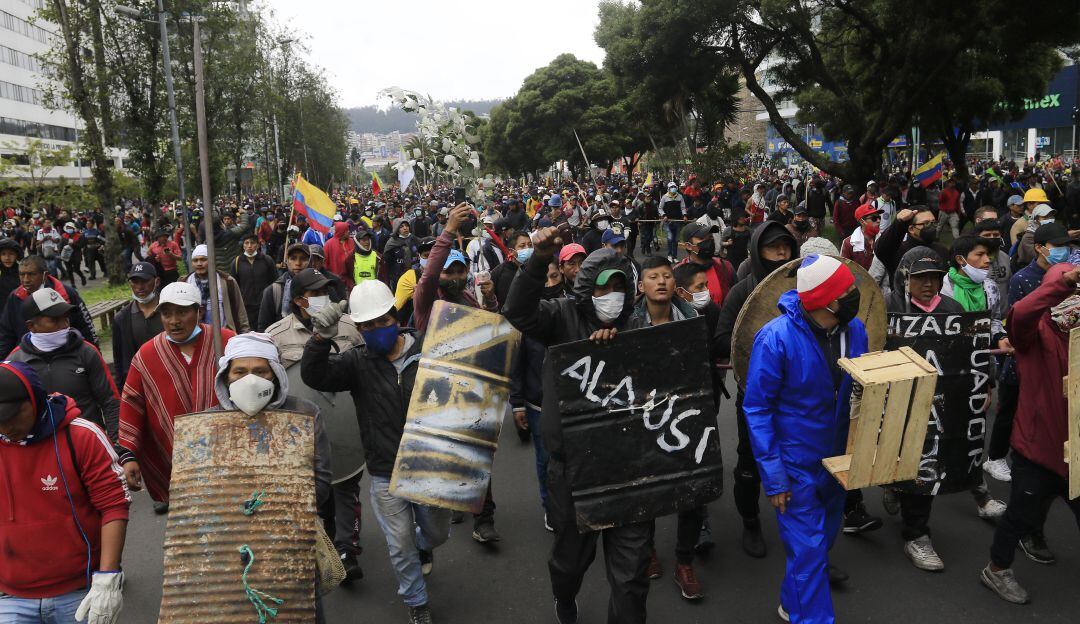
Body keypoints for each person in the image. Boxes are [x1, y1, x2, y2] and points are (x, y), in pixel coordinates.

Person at [504, 228, 650, 624]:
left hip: (629, 470)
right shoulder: (560, 315)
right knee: (570, 562)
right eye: (602, 289)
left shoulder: (639, 328)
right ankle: (564, 598)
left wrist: (624, 353)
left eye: (620, 287)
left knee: (632, 575)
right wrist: (537, 260)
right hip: (574, 471)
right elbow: (517, 314)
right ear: (587, 291)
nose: (611, 297)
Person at [303, 280, 451, 624]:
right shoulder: (357, 362)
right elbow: (315, 375)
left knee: (436, 533)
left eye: (382, 321)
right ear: (357, 327)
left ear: (394, 316)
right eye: (366, 325)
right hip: (385, 470)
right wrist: (320, 339)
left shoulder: (428, 350)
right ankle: (416, 601)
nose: (376, 329)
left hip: (429, 465)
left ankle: (422, 544)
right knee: (399, 545)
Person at [743, 255, 868, 623]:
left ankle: (792, 601)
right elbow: (758, 409)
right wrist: (774, 477)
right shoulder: (775, 338)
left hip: (837, 458)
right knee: (810, 549)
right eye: (846, 290)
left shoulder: (855, 329)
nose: (854, 294)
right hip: (794, 461)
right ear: (825, 299)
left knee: (821, 540)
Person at [210, 332, 334, 618]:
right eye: (239, 371)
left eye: (260, 371)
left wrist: (274, 506)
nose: (249, 379)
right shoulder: (210, 424)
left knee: (302, 609)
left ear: (275, 375)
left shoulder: (305, 414)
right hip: (235, 549)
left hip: (293, 543)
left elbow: (322, 484)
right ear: (226, 376)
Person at [0, 361, 130, 624]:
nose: (6, 427)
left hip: (79, 590)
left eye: (13, 415)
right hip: (9, 596)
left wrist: (107, 577)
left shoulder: (81, 436)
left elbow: (113, 505)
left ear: (35, 399)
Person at [980, 263, 1080, 605]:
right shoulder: (1034, 332)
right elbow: (1020, 312)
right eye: (1067, 298)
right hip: (1037, 449)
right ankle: (997, 568)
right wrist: (1062, 284)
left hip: (1076, 452)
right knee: (1020, 515)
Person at [267, 268, 365, 580]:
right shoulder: (276, 335)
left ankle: (347, 549)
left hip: (345, 425)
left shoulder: (349, 326)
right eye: (316, 293)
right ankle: (323, 543)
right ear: (298, 300)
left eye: (328, 290)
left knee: (347, 487)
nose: (325, 298)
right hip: (302, 431)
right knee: (317, 490)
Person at [412, 204, 500, 542]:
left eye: (460, 272)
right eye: (449, 273)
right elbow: (431, 273)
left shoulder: (467, 296)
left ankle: (483, 519)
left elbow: (492, 333)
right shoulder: (426, 299)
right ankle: (441, 514)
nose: (455, 278)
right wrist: (447, 232)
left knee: (477, 454)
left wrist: (490, 303)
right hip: (435, 392)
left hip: (471, 389)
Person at [713, 221, 798, 558]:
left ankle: (805, 539)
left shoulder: (805, 286)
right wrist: (762, 340)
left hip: (798, 395)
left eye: (786, 246)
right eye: (772, 247)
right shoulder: (742, 290)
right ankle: (750, 521)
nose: (781, 253)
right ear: (757, 250)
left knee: (800, 463)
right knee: (750, 462)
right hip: (756, 394)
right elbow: (722, 339)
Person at [630, 256, 710, 601]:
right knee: (647, 489)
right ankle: (646, 550)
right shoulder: (628, 322)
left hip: (687, 417)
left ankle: (684, 561)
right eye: (653, 276)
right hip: (644, 420)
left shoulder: (693, 318)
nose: (660, 281)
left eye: (666, 276)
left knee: (691, 492)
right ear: (642, 285)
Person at [118, 281, 236, 513]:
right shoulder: (147, 355)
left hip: (229, 452)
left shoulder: (227, 342)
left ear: (199, 312)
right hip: (175, 462)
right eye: (167, 313)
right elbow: (132, 403)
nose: (174, 321)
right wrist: (128, 454)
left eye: (182, 312)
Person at [7, 287, 121, 445]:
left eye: (66, 318)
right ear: (31, 326)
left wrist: (119, 446)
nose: (64, 325)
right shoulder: (16, 362)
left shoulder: (87, 352)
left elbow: (110, 401)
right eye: (54, 320)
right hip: (44, 450)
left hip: (89, 445)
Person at [0, 255, 97, 358]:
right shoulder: (15, 297)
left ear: (44, 275)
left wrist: (94, 355)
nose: (26, 279)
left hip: (66, 356)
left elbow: (86, 327)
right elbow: (6, 333)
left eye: (31, 274)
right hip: (29, 360)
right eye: (22, 274)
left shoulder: (66, 293)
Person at [111, 262, 164, 387]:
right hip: (139, 384)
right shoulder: (122, 318)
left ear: (156, 281)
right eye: (135, 282)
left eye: (145, 281)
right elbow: (118, 360)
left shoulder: (169, 311)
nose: (140, 287)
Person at [874, 206, 949, 290]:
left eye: (933, 222)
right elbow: (881, 249)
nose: (931, 227)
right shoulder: (898, 251)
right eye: (926, 223)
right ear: (911, 229)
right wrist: (898, 223)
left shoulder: (942, 250)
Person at [184, 244, 249, 334]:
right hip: (195, 335)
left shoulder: (227, 281)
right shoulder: (184, 283)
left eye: (203, 259)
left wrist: (245, 333)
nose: (199, 263)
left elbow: (240, 310)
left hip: (223, 334)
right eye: (195, 260)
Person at [676, 222, 734, 306]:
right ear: (688, 246)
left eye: (710, 237)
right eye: (703, 238)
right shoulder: (678, 272)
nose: (709, 242)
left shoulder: (725, 266)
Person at [257, 242, 310, 332]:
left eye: (303, 259)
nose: (298, 263)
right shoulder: (273, 290)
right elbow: (264, 328)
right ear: (286, 261)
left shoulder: (320, 288)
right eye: (293, 258)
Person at [231, 233, 278, 329]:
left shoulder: (267, 260)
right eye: (246, 243)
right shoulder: (236, 262)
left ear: (257, 245)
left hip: (265, 305)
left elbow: (274, 281)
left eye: (252, 243)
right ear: (243, 245)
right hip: (246, 306)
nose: (249, 246)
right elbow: (233, 286)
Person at [490, 230, 533, 309]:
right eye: (522, 246)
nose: (528, 249)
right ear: (511, 251)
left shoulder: (534, 268)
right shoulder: (498, 273)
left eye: (530, 245)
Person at [840, 204, 883, 270]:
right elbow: (844, 268)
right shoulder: (848, 243)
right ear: (862, 222)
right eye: (874, 218)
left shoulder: (884, 239)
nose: (878, 221)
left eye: (879, 217)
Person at [660, 182, 688, 261]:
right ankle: (669, 255)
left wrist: (684, 215)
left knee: (676, 239)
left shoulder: (680, 197)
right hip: (668, 221)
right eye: (671, 187)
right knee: (670, 238)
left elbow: (683, 208)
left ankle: (675, 256)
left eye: (674, 187)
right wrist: (664, 215)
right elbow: (660, 208)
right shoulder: (664, 197)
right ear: (668, 188)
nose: (673, 188)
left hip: (678, 220)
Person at [0, 237, 23, 308]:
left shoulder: (23, 271)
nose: (7, 258)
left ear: (17, 255)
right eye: (3, 254)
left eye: (11, 254)